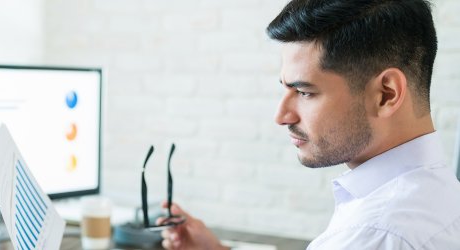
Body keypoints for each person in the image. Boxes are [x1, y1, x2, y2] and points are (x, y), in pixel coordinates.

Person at [158, 0, 460, 249]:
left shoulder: (376, 233)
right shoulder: (437, 196)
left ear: (386, 94)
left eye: (304, 92)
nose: (282, 115)